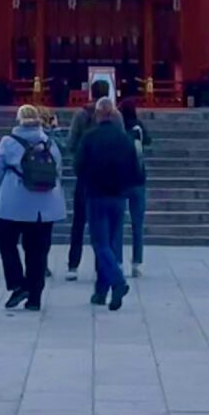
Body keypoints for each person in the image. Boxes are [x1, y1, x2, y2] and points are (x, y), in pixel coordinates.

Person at [0, 102, 66, 311]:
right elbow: (58, 171)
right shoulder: (50, 143)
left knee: (7, 244)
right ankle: (35, 297)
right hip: (45, 206)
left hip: (12, 204)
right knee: (38, 251)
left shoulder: (8, 143)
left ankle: (17, 283)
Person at [76, 98, 143, 310]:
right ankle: (102, 291)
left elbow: (78, 166)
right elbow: (135, 168)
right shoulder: (125, 139)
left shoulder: (89, 137)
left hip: (96, 195)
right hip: (118, 196)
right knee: (112, 243)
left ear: (97, 114)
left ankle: (117, 282)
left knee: (100, 243)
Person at [64, 78, 111, 278]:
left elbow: (71, 143)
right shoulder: (113, 116)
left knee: (79, 222)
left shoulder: (81, 115)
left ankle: (73, 265)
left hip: (85, 175)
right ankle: (102, 265)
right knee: (103, 223)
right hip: (107, 176)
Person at [117, 90, 151, 274]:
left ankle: (118, 261)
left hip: (121, 180)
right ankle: (137, 262)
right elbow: (149, 142)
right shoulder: (138, 127)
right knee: (137, 223)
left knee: (118, 223)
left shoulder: (118, 128)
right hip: (138, 178)